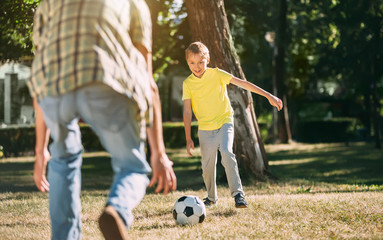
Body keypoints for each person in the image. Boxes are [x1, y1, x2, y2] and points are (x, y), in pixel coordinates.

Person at [28, 0, 177, 239]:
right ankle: (116, 210)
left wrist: (40, 150)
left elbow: (42, 68)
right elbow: (148, 82)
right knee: (133, 168)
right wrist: (159, 152)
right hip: (106, 79)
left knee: (62, 160)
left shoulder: (49, 3)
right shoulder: (134, 4)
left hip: (54, 90)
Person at [182, 41, 283, 208]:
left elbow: (244, 84)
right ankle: (211, 197)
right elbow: (187, 112)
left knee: (227, 153)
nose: (197, 66)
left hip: (224, 122)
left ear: (207, 59)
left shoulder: (217, 74)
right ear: (187, 63)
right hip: (205, 129)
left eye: (200, 61)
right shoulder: (188, 83)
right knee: (207, 167)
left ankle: (238, 195)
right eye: (192, 63)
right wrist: (188, 137)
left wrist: (268, 96)